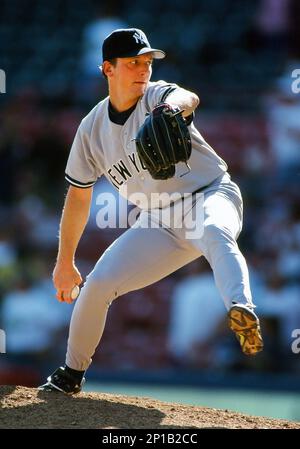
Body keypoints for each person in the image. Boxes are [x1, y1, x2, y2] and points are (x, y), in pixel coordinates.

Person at [39, 28, 263, 394]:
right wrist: (65, 262)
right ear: (107, 70)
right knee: (97, 285)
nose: (143, 69)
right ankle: (71, 374)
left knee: (214, 232)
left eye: (146, 62)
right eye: (132, 63)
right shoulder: (91, 130)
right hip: (159, 221)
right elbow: (78, 197)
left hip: (209, 195)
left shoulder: (157, 95)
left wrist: (172, 108)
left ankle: (241, 309)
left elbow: (187, 96)